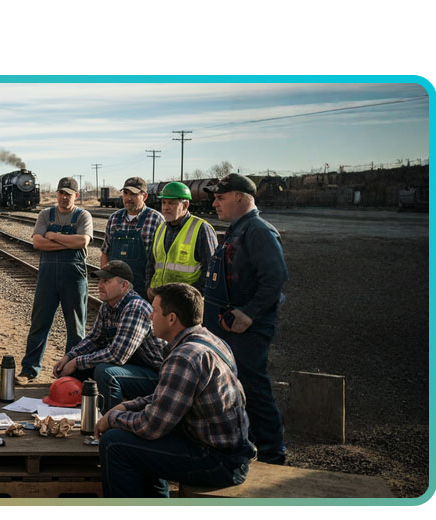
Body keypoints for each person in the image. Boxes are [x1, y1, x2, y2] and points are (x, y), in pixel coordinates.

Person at [95, 283, 256, 498]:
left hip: (218, 462)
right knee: (139, 439)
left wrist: (113, 418)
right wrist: (127, 406)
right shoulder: (210, 340)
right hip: (227, 451)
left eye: (154, 310)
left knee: (113, 443)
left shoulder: (184, 357)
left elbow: (151, 426)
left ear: (171, 319)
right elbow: (169, 396)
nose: (150, 316)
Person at [203, 173, 289, 465]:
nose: (215, 203)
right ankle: (247, 446)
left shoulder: (258, 231)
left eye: (220, 197)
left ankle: (272, 454)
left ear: (239, 197)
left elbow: (275, 277)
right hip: (229, 326)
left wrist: (249, 313)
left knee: (253, 387)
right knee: (234, 388)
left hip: (246, 330)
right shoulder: (238, 229)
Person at [51, 261, 164, 412]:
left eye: (106, 281)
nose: (99, 285)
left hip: (154, 376)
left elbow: (118, 356)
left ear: (124, 285)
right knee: (77, 367)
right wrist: (69, 357)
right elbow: (94, 339)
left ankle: (112, 418)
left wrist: (78, 361)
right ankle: (77, 413)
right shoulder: (108, 305)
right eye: (100, 280)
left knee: (105, 372)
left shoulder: (135, 308)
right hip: (133, 368)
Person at [17, 177, 93, 385]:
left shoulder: (83, 216)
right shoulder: (45, 214)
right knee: (39, 323)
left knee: (76, 328)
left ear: (75, 196)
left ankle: (72, 375)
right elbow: (37, 243)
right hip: (48, 278)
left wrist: (53, 235)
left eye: (68, 194)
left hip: (74, 278)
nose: (63, 197)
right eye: (61, 192)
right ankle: (29, 370)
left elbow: (82, 241)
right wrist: (67, 243)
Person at [145, 181, 218, 294]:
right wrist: (148, 287)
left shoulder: (201, 229)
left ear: (185, 205)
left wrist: (188, 296)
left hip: (185, 303)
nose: (165, 207)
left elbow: (210, 271)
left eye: (171, 203)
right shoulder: (160, 228)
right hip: (159, 299)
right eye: (164, 202)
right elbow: (151, 263)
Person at [101, 176, 164, 299]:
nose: (128, 198)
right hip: (115, 288)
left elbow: (161, 258)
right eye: (125, 193)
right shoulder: (114, 218)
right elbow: (105, 252)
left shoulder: (156, 219)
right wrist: (105, 280)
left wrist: (154, 288)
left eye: (134, 194)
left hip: (143, 289)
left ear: (144, 196)